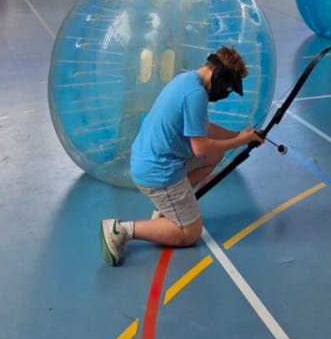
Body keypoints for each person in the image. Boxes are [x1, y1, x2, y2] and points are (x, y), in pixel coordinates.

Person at [99, 46, 264, 266]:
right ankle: (121, 230)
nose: (225, 92)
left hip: (150, 159)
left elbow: (204, 128)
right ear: (219, 77)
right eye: (227, 86)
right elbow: (201, 149)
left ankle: (168, 207)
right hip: (158, 170)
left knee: (217, 155)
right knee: (190, 233)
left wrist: (241, 135)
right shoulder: (195, 95)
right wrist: (240, 141)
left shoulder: (188, 81)